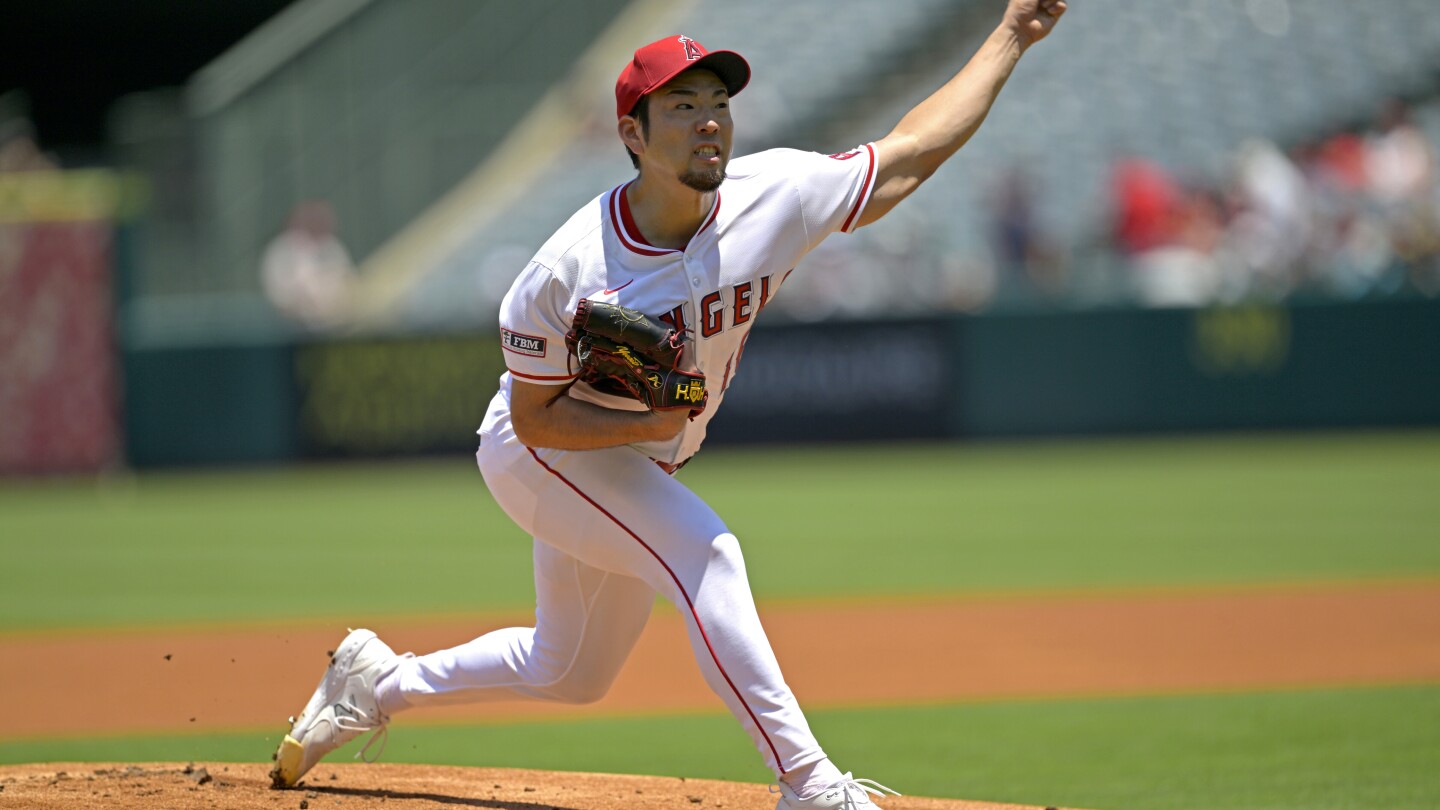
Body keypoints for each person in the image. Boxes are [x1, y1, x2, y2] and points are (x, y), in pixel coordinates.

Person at [271, 1, 1066, 806]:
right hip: (540, 454)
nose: (709, 122)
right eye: (682, 108)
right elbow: (535, 418)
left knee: (570, 671)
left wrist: (1010, 36)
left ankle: (375, 682)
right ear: (633, 136)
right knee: (707, 553)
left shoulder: (778, 194)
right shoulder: (566, 271)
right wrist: (653, 417)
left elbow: (910, 153)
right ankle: (811, 785)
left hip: (641, 455)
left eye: (718, 103)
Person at [260, 200, 357, 330]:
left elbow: (347, 281)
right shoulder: (281, 249)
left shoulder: (333, 247)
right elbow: (277, 293)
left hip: (332, 323)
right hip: (290, 323)